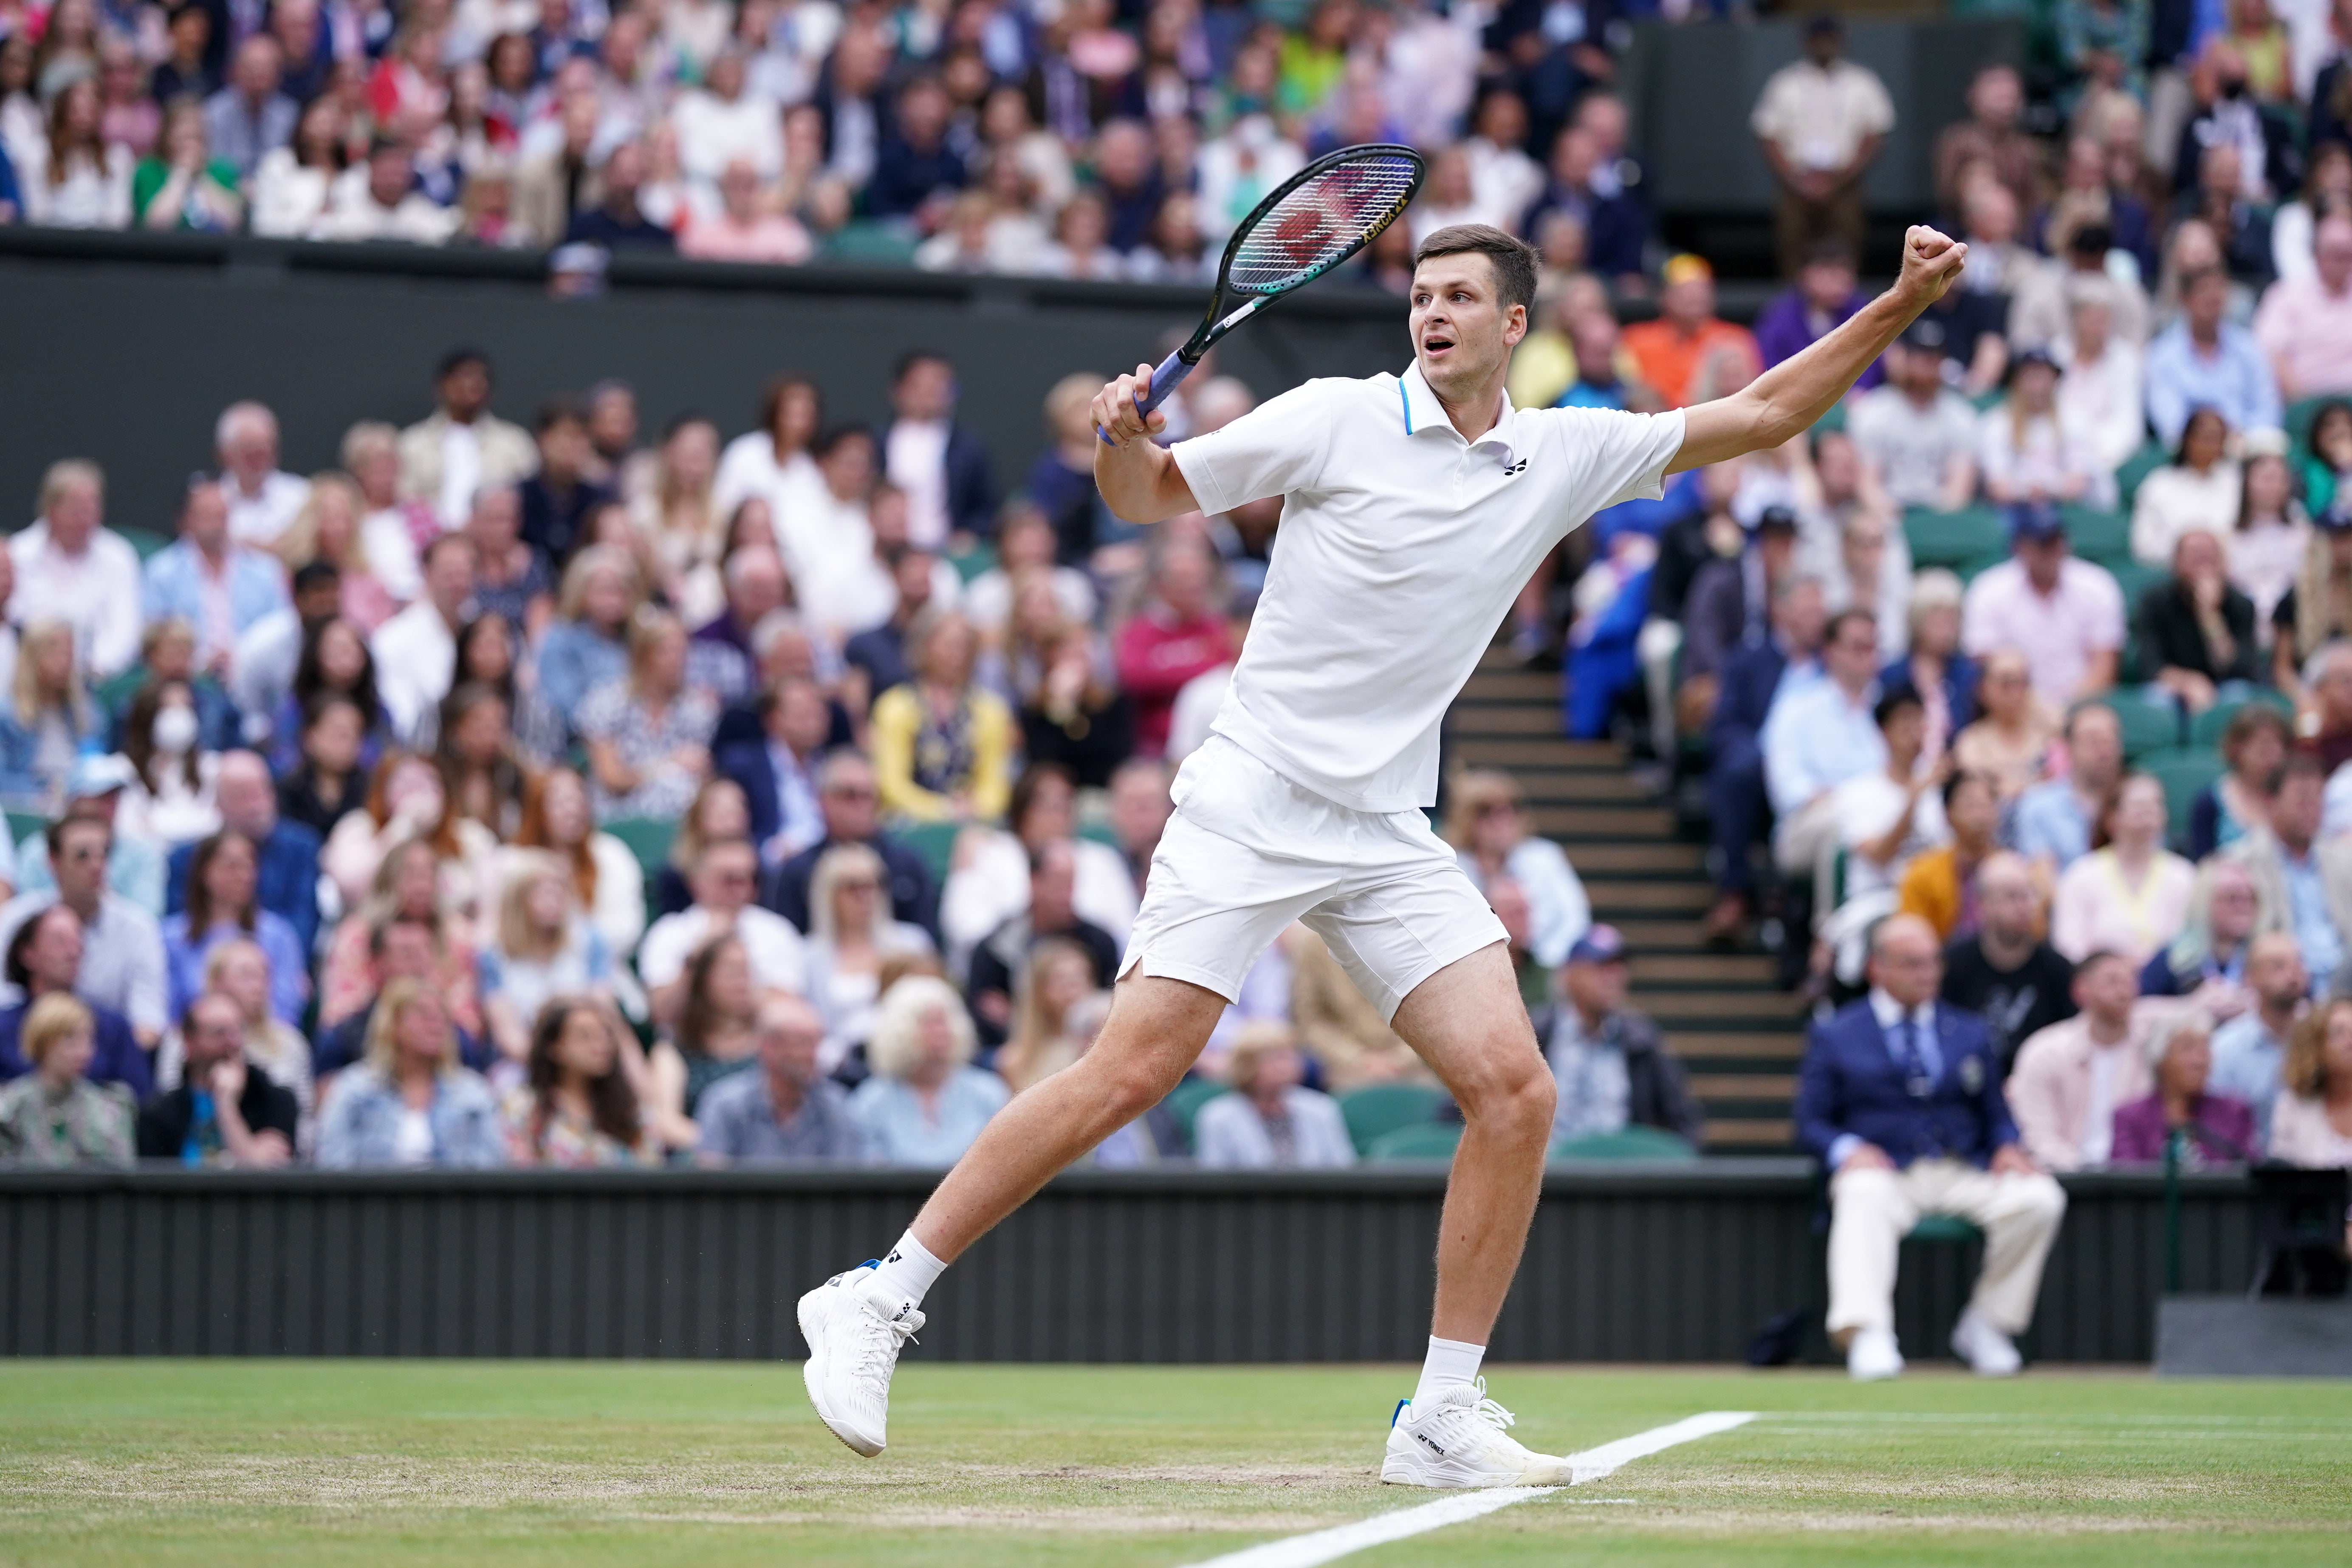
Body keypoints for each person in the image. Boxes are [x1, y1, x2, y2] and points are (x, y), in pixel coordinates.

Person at [795, 218, 1979, 1478]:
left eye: (1463, 296)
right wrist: (1123, 444)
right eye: (1422, 295)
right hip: (1253, 798)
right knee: (1132, 1069)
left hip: (1380, 826)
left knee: (1516, 1093)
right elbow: (1146, 499)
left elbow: (1760, 414)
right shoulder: (1332, 416)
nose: (1435, 313)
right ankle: (877, 1296)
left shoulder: (1564, 448)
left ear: (1514, 327)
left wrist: (1899, 303)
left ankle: (1439, 1414)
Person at [1795, 916, 2067, 1382]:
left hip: (1960, 1168)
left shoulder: (1968, 1030)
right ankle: (1867, 1331)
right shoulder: (1836, 1032)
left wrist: (2006, 1146)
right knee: (1859, 1191)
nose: (1927, 973)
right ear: (1877, 968)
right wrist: (1846, 1148)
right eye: (1912, 963)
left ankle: (1987, 1325)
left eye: (1932, 963)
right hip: (1887, 1170)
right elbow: (1809, 1121)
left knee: (2040, 1198)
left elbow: (1995, 1113)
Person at [0, 815, 167, 1047]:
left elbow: (149, 1023)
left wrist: (104, 1060)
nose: (96, 866)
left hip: (105, 1061)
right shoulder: (16, 917)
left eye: (104, 854)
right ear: (53, 862)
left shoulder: (139, 929)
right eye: (82, 856)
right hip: (20, 1052)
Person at [1534, 925, 1705, 1147]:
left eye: (1620, 968)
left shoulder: (1643, 1040)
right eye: (1602, 967)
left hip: (1621, 1175)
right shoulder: (1537, 1033)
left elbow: (1684, 1118)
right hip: (1549, 1175)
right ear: (1571, 974)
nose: (1614, 978)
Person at [1749, 14, 1893, 277]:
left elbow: (1875, 135)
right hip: (1796, 182)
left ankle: (1851, 312)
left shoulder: (1862, 82)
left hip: (1845, 183)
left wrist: (1841, 179)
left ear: (1841, 41)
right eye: (1818, 39)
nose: (1824, 45)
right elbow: (1768, 136)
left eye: (1830, 39)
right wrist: (1794, 179)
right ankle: (1796, 313)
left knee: (1847, 247)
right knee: (1793, 248)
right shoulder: (1785, 83)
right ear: (1806, 42)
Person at [1762, 608, 1887, 904]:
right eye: (1858, 647)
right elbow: (1788, 788)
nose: (1867, 656)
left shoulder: (1892, 709)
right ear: (1831, 651)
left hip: (1880, 819)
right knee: (1842, 828)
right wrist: (1854, 801)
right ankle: (1829, 935)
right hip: (1810, 827)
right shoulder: (1796, 707)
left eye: (1872, 647)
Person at [315, 978, 507, 1169]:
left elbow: (493, 1166)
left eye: (442, 1016)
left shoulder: (473, 1093)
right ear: (394, 1025)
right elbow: (332, 1163)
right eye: (424, 1014)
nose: (436, 1023)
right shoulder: (354, 1089)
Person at [2006, 949, 2163, 1170]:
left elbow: (2190, 1012)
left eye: (2131, 981)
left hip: (2137, 1182)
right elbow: (2039, 1138)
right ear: (2081, 990)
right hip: (2065, 1179)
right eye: (2113, 982)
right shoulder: (2044, 1053)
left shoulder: (2154, 1046)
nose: (2124, 991)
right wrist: (2086, 1174)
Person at [1962, 503, 2126, 710]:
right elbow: (1986, 667)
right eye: (2042, 544)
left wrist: (2065, 711)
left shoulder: (2097, 585)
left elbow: (2104, 667)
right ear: (2019, 547)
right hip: (2013, 710)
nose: (2051, 551)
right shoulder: (1989, 589)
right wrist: (2036, 713)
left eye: (2056, 540)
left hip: (2082, 709)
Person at [764, 750, 940, 940]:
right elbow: (788, 943)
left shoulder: (907, 865)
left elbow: (927, 940)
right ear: (822, 801)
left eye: (869, 795)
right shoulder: (798, 871)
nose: (861, 804)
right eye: (850, 795)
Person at [636, 837, 808, 1023]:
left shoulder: (777, 931)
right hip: (685, 1046)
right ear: (697, 882)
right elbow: (661, 1012)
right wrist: (700, 957)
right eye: (730, 879)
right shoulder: (668, 933)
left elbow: (789, 1007)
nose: (742, 889)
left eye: (750, 879)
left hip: (760, 1047)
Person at [867, 609, 1013, 824]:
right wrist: (942, 810)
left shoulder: (991, 710)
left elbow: (996, 784)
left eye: (965, 645)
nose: (959, 653)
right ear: (924, 647)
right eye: (950, 644)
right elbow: (891, 784)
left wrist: (977, 809)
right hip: (909, 824)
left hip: (974, 822)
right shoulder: (895, 706)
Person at [477, 851, 622, 1067]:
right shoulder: (493, 956)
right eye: (543, 894)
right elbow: (510, 1037)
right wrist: (556, 1066)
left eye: (559, 893)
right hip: (528, 1063)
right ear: (519, 901)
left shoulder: (589, 940)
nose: (553, 902)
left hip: (589, 1056)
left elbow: (603, 1009)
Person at [846, 974, 1005, 1167]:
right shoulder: (870, 1102)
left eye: (945, 1020)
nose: (941, 1031)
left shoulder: (989, 1092)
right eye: (929, 1023)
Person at [576, 607, 717, 824]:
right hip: (617, 814)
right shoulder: (607, 703)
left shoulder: (698, 709)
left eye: (682, 651)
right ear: (644, 656)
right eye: (667, 652)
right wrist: (667, 766)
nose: (677, 660)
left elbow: (700, 775)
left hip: (680, 817)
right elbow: (612, 778)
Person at [802, 842, 935, 1072]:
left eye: (874, 884)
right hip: (838, 1071)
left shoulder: (912, 944)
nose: (866, 895)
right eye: (853, 887)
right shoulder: (809, 957)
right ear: (829, 893)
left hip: (907, 1065)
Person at [2225, 753, 2352, 993]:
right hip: (2280, 984)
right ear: (2270, 802)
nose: (2311, 810)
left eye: (2318, 801)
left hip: (2345, 979)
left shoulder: (2345, 860)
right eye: (2302, 801)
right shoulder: (2240, 863)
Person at [1941, 851, 2079, 1068]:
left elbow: (2070, 1044)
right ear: (1983, 905)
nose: (2025, 906)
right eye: (2012, 897)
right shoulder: (1953, 965)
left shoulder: (2058, 970)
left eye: (2030, 895)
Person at [8, 460, 142, 682]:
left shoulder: (119, 556)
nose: (85, 516)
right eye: (76, 508)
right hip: (26, 678)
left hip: (98, 679)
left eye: (92, 506)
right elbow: (14, 622)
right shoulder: (17, 554)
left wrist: (91, 668)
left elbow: (125, 633)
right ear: (50, 509)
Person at [1443, 770, 1591, 970]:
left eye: (1511, 807)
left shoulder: (1545, 857)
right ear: (1466, 818)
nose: (1502, 818)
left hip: (1544, 968)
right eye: (1486, 810)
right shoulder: (1451, 864)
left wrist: (1543, 962)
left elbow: (1575, 918)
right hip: (1473, 968)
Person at [159, 830, 307, 1026]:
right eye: (232, 867)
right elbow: (166, 1008)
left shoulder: (279, 935)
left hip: (264, 1042)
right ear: (204, 872)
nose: (243, 876)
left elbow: (286, 1008)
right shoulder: (171, 937)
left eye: (249, 866)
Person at [696, 993, 864, 1164]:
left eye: (816, 1043)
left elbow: (846, 1181)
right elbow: (712, 1177)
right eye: (802, 1043)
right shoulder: (725, 1103)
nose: (811, 1055)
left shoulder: (835, 1106)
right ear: (768, 1046)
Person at [136, 993, 297, 1168]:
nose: (233, 1042)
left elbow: (266, 1183)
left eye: (238, 1030)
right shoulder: (158, 1115)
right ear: (189, 1043)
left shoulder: (276, 1102)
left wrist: (226, 1105)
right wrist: (252, 1151)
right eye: (220, 1033)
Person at [398, 349, 539, 534]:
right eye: (465, 376)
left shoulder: (514, 444)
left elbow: (530, 499)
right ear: (443, 385)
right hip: (427, 544)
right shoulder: (413, 444)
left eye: (481, 378)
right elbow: (402, 500)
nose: (474, 384)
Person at [1846, 322, 1980, 511]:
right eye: (1920, 354)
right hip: (1886, 512)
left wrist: (1931, 523)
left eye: (1934, 356)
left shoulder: (1961, 415)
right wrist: (1890, 516)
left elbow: (1959, 489)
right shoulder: (1873, 411)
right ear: (1906, 357)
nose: (1927, 362)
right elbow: (1867, 483)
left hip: (1939, 514)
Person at [503, 999, 651, 1168]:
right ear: (554, 1047)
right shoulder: (523, 1107)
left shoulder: (630, 1110)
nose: (601, 1046)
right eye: (585, 1037)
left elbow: (650, 1166)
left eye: (606, 1035)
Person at [2145, 267, 2282, 446]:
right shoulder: (2161, 356)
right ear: (2185, 299)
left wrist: (2245, 439)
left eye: (2219, 290)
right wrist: (2215, 441)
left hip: (2248, 450)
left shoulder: (2249, 347)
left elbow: (2268, 410)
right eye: (2204, 291)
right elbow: (2170, 424)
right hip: (2193, 456)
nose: (2213, 298)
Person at [1194, 1021, 1355, 1170]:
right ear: (1247, 1066)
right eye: (1277, 1058)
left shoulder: (1322, 1109)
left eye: (1291, 1056)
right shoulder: (1217, 1117)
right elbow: (1214, 1180)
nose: (1288, 1065)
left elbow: (1344, 1169)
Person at [0, 993, 133, 1167]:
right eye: (71, 1040)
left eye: (89, 1040)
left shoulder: (109, 1109)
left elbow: (122, 1178)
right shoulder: (9, 1109)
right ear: (42, 1041)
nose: (84, 1053)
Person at [2138, 528, 2263, 713]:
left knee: (2238, 697)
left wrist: (2210, 616)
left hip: (2223, 688)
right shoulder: (2155, 602)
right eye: (2195, 559)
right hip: (2173, 686)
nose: (2203, 568)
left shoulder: (2241, 604)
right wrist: (2189, 683)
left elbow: (2240, 669)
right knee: (2155, 701)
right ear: (2176, 563)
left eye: (2210, 559)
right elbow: (2150, 665)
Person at [2109, 1013, 2259, 1165]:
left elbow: (2250, 1175)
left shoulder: (2233, 1113)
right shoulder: (2130, 1118)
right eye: (2187, 1049)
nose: (2199, 1061)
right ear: (2160, 1060)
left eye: (2204, 1049)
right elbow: (2125, 1181)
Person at [371, 533, 479, 743]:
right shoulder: (393, 640)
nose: (458, 582)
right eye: (449, 574)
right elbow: (401, 719)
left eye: (465, 573)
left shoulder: (485, 630)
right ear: (427, 574)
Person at [2208, 929, 2310, 1149]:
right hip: (2246, 1175)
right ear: (2250, 977)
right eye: (2278, 966)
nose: (2293, 974)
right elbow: (2217, 1127)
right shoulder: (2224, 1050)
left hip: (2316, 1173)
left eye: (2298, 964)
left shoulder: (2323, 1041)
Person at [1618, 254, 1759, 409]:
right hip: (1659, 426)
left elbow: (1754, 396)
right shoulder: (1636, 341)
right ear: (1664, 296)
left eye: (1701, 289)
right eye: (1684, 290)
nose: (1694, 296)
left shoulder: (1735, 339)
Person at [2010, 702, 2126, 874]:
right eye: (2094, 741)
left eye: (2110, 741)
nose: (2104, 751)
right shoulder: (2037, 806)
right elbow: (2041, 880)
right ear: (2068, 747)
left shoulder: (2135, 803)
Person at [2251, 214, 2352, 403]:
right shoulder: (2286, 295)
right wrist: (2304, 405)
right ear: (2317, 254)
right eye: (2337, 255)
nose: (2344, 263)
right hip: (2304, 406)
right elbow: (2271, 353)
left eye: (2348, 255)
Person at [0, 620, 98, 812]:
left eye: (69, 655)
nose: (65, 663)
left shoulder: (86, 711)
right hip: (26, 806)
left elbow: (94, 763)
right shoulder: (7, 714)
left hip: (78, 802)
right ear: (33, 658)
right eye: (56, 654)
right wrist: (42, 799)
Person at [2132, 407, 2244, 568]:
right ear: (2187, 440)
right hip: (2171, 574)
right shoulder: (2159, 485)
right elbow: (2143, 546)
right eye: (2206, 438)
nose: (2212, 446)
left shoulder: (2238, 482)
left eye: (2218, 439)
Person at [1951, 650, 2056, 805]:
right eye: (2006, 684)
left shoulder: (2049, 729)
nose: (2016, 692)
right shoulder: (1972, 743)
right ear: (1982, 689)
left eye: (2023, 682)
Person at [2188, 701, 2289, 858]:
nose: (2275, 754)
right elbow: (2203, 865)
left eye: (2280, 744)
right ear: (2239, 748)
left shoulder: (2290, 798)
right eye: (2265, 745)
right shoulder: (2209, 802)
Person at [2269, 998, 2352, 1171]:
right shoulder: (2293, 1105)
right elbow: (2282, 1176)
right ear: (2317, 1047)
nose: (2350, 1043)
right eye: (2339, 1034)